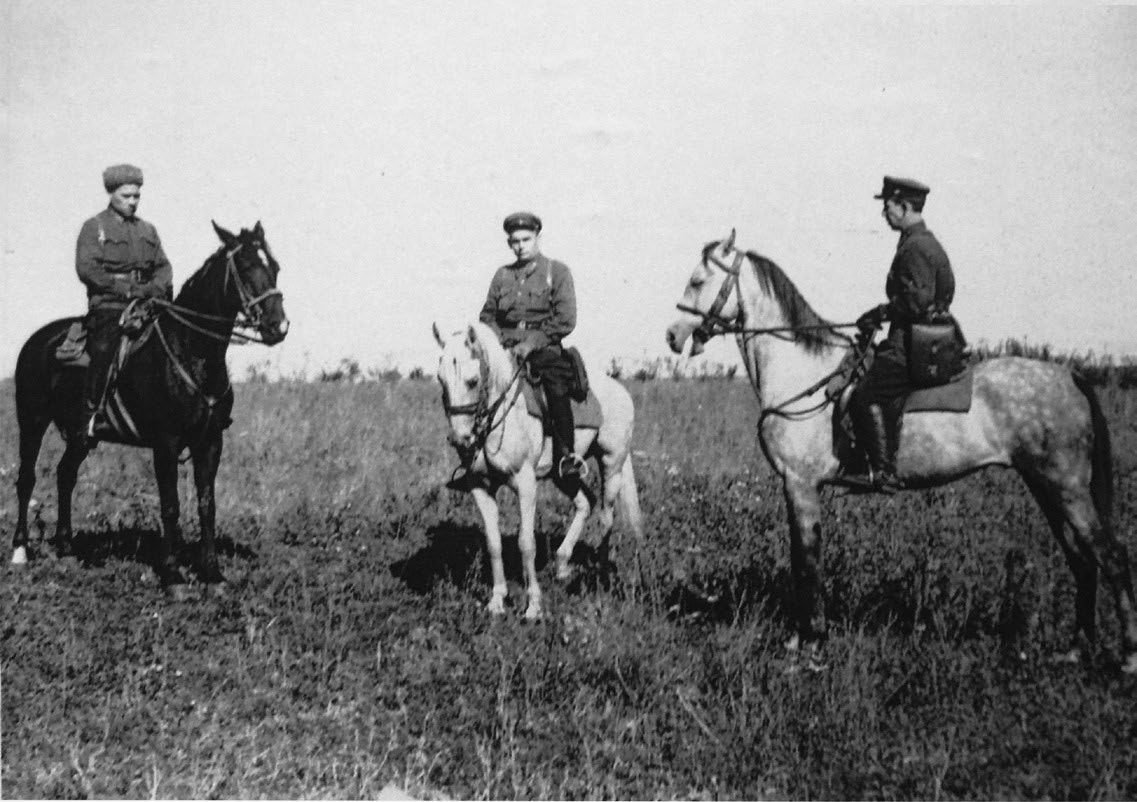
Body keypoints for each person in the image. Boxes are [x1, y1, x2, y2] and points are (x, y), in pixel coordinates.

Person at [452, 211, 584, 489]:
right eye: (514, 241)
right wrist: (500, 344)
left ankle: (566, 457)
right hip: (504, 350)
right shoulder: (502, 275)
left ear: (537, 237)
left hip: (544, 349)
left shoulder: (556, 272)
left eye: (526, 239)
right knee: (474, 389)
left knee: (556, 387)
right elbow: (487, 315)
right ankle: (474, 462)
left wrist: (530, 344)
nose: (520, 245)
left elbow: (565, 319)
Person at [847, 176, 957, 493]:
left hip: (911, 346)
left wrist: (880, 313)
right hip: (923, 339)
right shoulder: (923, 242)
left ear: (904, 206)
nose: (884, 213)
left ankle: (883, 472)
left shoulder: (916, 247)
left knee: (865, 395)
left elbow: (917, 301)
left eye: (887, 206)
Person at [75, 164, 174, 441]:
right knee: (106, 346)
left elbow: (164, 267)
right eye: (126, 196)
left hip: (147, 302)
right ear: (112, 194)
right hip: (109, 304)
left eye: (136, 196)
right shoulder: (94, 227)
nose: (132, 201)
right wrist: (127, 290)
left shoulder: (148, 230)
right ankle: (92, 415)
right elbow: (88, 269)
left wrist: (155, 287)